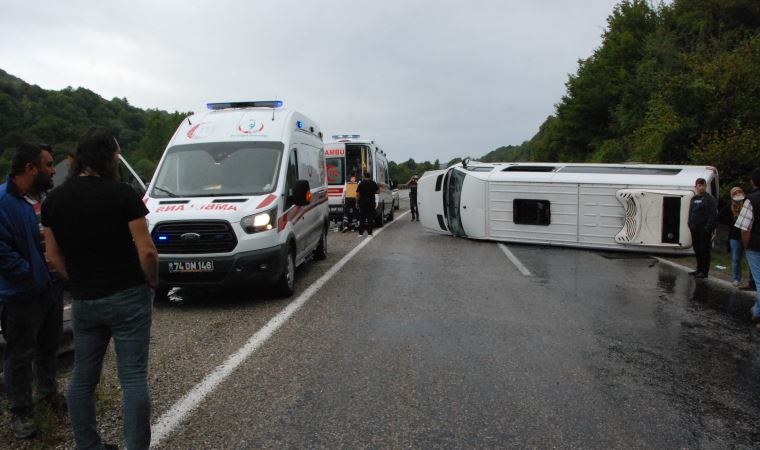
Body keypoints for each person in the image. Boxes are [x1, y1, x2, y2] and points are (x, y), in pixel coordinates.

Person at [42, 127, 158, 450]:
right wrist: (152, 280)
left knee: (81, 377)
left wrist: (75, 280)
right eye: (117, 155)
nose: (118, 161)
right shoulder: (123, 195)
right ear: (107, 157)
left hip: (84, 299)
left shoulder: (54, 201)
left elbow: (52, 256)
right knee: (133, 377)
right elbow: (147, 250)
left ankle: (88, 445)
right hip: (128, 295)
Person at [0, 143, 61, 439]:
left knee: (49, 344)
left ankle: (48, 393)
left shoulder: (45, 198)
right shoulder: (3, 201)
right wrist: (29, 274)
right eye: (48, 165)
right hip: (22, 294)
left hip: (50, 287)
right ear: (30, 169)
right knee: (20, 354)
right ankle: (20, 411)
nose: (53, 170)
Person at [736, 168, 760, 329]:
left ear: (753, 182)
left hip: (756, 245)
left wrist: (746, 247)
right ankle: (757, 310)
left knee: (759, 281)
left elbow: (745, 228)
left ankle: (759, 314)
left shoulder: (751, 199)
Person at [687, 178, 717, 278]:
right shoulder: (694, 199)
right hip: (694, 228)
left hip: (704, 229)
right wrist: (690, 224)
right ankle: (699, 269)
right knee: (697, 249)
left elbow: (713, 215)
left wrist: (708, 228)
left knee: (704, 250)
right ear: (696, 187)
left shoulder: (710, 199)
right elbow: (691, 212)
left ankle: (704, 271)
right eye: (699, 185)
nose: (701, 187)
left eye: (703, 185)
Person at [719, 186, 747, 286]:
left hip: (747, 235)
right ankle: (736, 278)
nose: (738, 194)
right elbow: (719, 217)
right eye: (735, 193)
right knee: (736, 258)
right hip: (734, 236)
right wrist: (731, 222)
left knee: (750, 258)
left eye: (740, 192)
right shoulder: (729, 206)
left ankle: (752, 281)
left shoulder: (746, 205)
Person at [355, 172, 379, 236]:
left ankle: (361, 233)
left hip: (362, 203)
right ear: (370, 176)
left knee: (362, 218)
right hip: (371, 203)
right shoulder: (373, 183)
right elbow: (378, 191)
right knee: (370, 218)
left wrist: (357, 202)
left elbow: (357, 194)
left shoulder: (361, 183)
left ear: (364, 176)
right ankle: (370, 233)